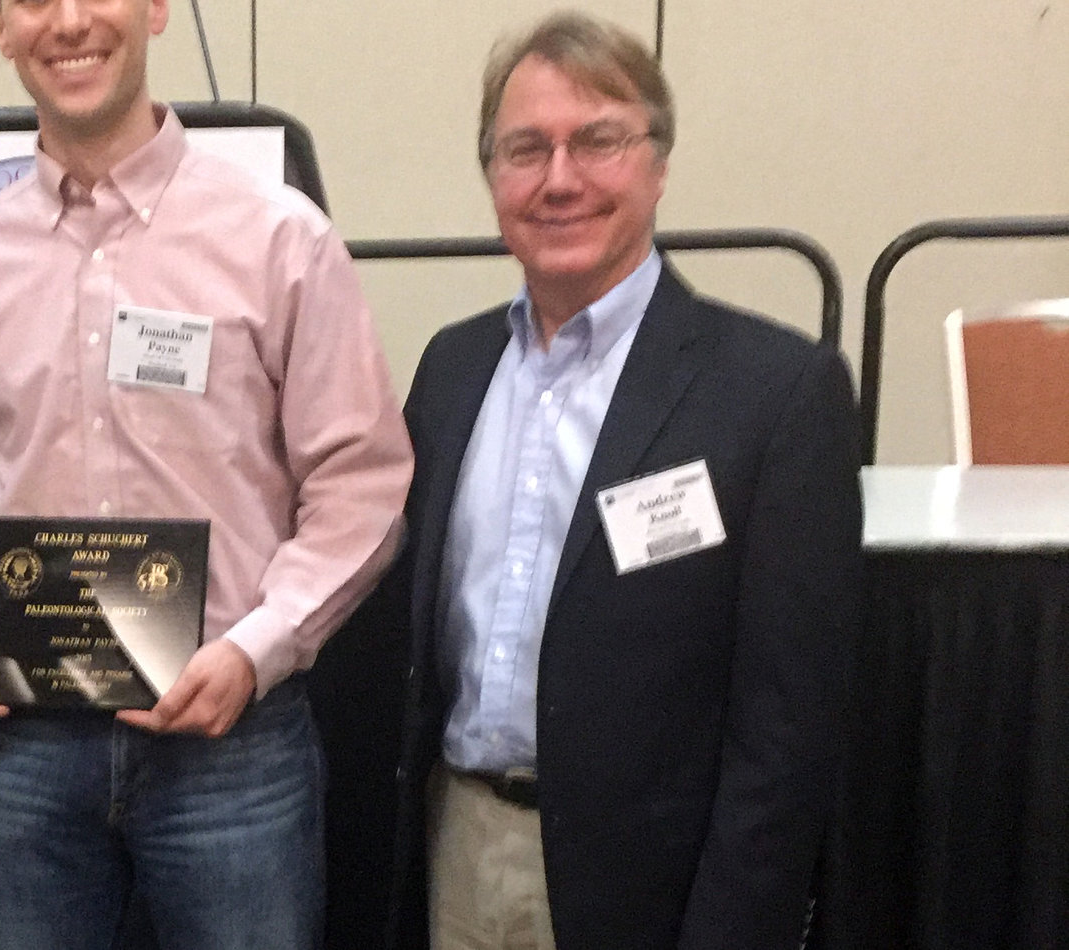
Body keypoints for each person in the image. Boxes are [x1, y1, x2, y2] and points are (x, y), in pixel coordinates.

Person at [0, 0, 413, 947]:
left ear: (156, 10)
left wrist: (258, 649)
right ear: (1, 27)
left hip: (231, 747)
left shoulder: (278, 239)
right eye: (32, 2)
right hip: (23, 743)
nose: (68, 23)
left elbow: (362, 484)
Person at [364, 10, 865, 949]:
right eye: (525, 150)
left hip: (652, 884)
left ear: (657, 163)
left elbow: (789, 732)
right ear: (491, 177)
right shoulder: (452, 369)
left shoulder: (777, 395)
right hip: (456, 847)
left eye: (597, 141)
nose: (560, 179)